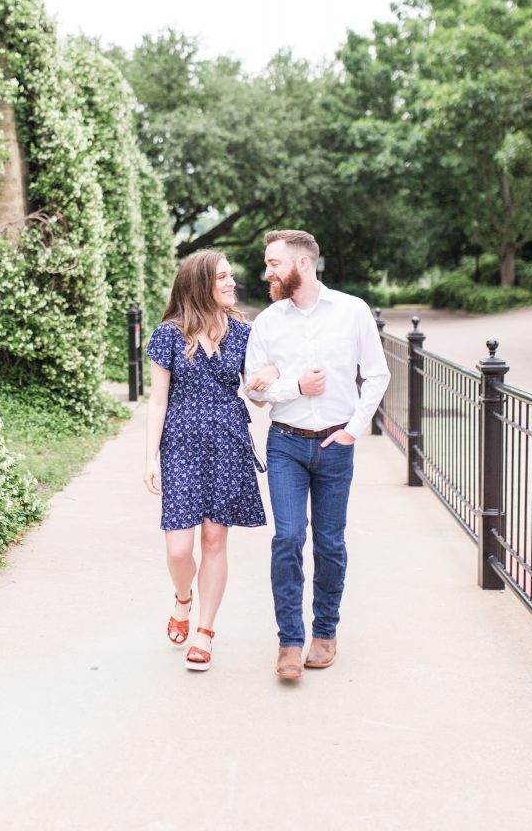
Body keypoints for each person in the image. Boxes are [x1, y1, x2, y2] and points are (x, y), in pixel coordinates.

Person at [244, 230, 390, 680]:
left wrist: (352, 430)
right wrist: (294, 387)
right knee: (287, 539)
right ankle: (290, 641)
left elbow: (378, 375)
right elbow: (252, 388)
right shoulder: (268, 321)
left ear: (301, 265)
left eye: (273, 263)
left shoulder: (352, 311)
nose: (267, 271)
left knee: (329, 543)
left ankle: (324, 633)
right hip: (285, 443)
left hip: (334, 446)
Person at [144, 251, 276, 672]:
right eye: (222, 276)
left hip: (227, 445)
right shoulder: (168, 335)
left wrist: (267, 376)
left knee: (215, 540)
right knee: (180, 547)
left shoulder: (243, 333)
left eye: (231, 276)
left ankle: (204, 631)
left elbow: (256, 397)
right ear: (201, 282)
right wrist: (150, 457)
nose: (231, 282)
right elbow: (157, 400)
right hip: (180, 447)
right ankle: (183, 599)